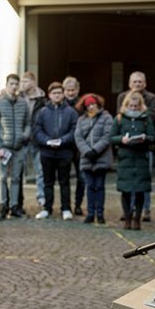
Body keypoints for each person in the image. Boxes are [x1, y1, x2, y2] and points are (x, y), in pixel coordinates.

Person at [116, 71, 155, 222]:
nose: (137, 84)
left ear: (145, 83)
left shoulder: (151, 98)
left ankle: (144, 210)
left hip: (143, 147)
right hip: (127, 148)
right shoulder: (122, 97)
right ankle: (128, 211)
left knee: (143, 181)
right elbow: (119, 119)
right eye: (135, 82)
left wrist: (141, 110)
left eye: (140, 82)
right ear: (129, 84)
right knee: (126, 183)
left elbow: (154, 116)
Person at [111, 91, 155, 230]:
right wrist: (121, 139)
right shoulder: (119, 118)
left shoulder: (145, 118)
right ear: (126, 105)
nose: (134, 108)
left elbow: (153, 136)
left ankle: (137, 218)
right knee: (126, 189)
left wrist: (144, 138)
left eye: (136, 106)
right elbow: (112, 137)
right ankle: (128, 217)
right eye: (131, 105)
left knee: (140, 189)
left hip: (140, 157)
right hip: (126, 157)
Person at [34, 81, 78, 220]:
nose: (57, 95)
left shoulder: (71, 112)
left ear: (63, 94)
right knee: (48, 182)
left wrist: (62, 141)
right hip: (47, 152)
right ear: (49, 95)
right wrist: (47, 141)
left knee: (64, 182)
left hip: (65, 152)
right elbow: (37, 130)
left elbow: (74, 130)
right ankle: (47, 208)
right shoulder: (43, 111)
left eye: (59, 93)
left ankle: (66, 208)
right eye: (54, 93)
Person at [0, 74, 31, 220]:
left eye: (16, 84)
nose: (14, 87)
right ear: (6, 85)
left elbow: (28, 123)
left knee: (16, 178)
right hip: (3, 147)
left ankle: (14, 206)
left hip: (19, 147)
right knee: (1, 178)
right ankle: (2, 206)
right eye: (11, 84)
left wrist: (24, 135)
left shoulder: (23, 104)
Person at [74, 94, 113, 224]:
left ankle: (100, 213)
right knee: (90, 186)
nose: (91, 107)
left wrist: (96, 150)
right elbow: (78, 137)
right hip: (87, 158)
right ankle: (90, 213)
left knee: (100, 186)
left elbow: (107, 135)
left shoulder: (106, 117)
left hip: (101, 157)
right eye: (88, 105)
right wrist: (86, 151)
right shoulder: (81, 120)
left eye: (93, 104)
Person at [19, 71, 47, 209]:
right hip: (22, 138)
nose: (22, 84)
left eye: (26, 81)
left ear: (33, 82)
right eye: (21, 81)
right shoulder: (17, 97)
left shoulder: (42, 99)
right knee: (18, 171)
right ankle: (18, 201)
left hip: (36, 138)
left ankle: (41, 197)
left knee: (40, 170)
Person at [62, 75, 86, 216]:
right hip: (65, 146)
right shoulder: (60, 104)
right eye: (68, 90)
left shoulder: (82, 105)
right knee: (64, 179)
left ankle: (78, 204)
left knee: (81, 178)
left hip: (79, 148)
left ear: (78, 90)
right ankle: (66, 205)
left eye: (73, 90)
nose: (71, 93)